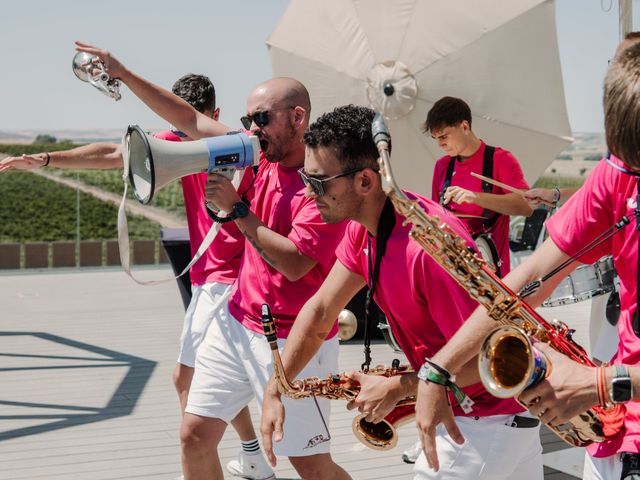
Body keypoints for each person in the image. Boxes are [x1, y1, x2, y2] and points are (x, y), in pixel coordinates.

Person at [72, 42, 351, 480]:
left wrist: (239, 211)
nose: (251, 130)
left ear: (298, 118)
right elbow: (188, 118)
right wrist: (123, 72)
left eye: (261, 118)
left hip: (292, 338)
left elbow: (296, 264)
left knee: (310, 464)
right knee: (194, 435)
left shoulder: (321, 181)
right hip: (237, 319)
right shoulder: (260, 155)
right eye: (247, 120)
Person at [0, 74, 274, 480]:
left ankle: (202, 461)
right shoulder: (177, 138)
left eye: (190, 121)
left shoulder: (238, 146)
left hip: (228, 281)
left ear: (212, 117)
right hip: (208, 281)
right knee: (212, 381)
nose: (181, 133)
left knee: (188, 381)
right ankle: (249, 455)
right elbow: (113, 153)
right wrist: (44, 159)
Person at [260, 105, 543, 479]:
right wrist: (275, 389)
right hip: (485, 420)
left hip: (485, 424)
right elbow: (320, 313)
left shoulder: (426, 250)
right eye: (305, 179)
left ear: (364, 181)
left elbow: (491, 363)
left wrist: (399, 387)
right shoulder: (364, 229)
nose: (308, 194)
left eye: (319, 182)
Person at [414, 41, 640, 480]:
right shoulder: (620, 172)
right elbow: (534, 274)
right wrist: (439, 368)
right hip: (622, 432)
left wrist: (598, 383)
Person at [425, 96, 532, 277]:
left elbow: (527, 205)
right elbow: (436, 217)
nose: (440, 144)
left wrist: (476, 197)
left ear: (464, 127)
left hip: (490, 274)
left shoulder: (501, 159)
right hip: (452, 272)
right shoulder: (441, 166)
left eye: (443, 136)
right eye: (436, 138)